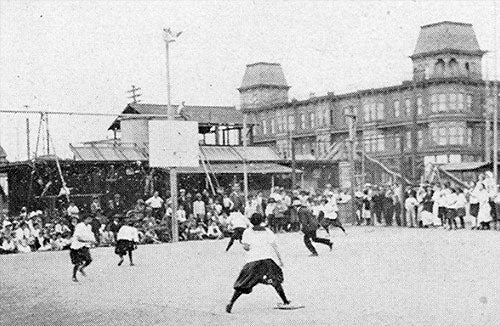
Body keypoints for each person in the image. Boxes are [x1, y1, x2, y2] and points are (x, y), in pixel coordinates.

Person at [226, 213, 290, 313]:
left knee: (243, 284)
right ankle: (285, 301)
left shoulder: (247, 231)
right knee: (275, 281)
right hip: (267, 261)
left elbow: (246, 247)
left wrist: (246, 246)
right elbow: (275, 246)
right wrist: (280, 260)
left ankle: (231, 303)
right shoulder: (267, 231)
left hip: (253, 261)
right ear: (261, 221)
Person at [70, 215, 96, 282]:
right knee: (77, 262)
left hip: (84, 245)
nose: (89, 220)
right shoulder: (79, 226)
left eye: (90, 219)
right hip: (76, 246)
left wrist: (93, 240)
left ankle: (81, 269)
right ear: (84, 219)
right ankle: (74, 276)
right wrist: (88, 240)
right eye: (88, 219)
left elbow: (90, 235)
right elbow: (78, 238)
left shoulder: (89, 227)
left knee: (89, 260)